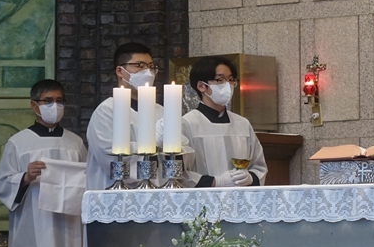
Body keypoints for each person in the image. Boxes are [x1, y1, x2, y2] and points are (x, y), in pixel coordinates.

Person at [0, 79, 87, 247]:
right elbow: (1, 184)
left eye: (59, 101)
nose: (54, 106)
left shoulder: (75, 143)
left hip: (69, 237)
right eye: (48, 101)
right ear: (34, 105)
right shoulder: (19, 142)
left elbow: (88, 182)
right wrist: (25, 176)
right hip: (34, 236)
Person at [85, 42, 191, 190]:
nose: (148, 72)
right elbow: (109, 155)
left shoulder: (162, 111)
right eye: (140, 65)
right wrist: (154, 143)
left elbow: (184, 151)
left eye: (151, 66)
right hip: (118, 195)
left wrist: (171, 149)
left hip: (160, 193)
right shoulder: (106, 111)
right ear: (120, 71)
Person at [180, 56, 267, 188]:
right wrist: (216, 182)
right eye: (220, 80)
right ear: (201, 86)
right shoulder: (187, 124)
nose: (228, 85)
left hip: (239, 197)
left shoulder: (242, 124)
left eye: (231, 80)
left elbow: (259, 167)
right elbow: (179, 173)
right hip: (204, 198)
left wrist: (250, 178)